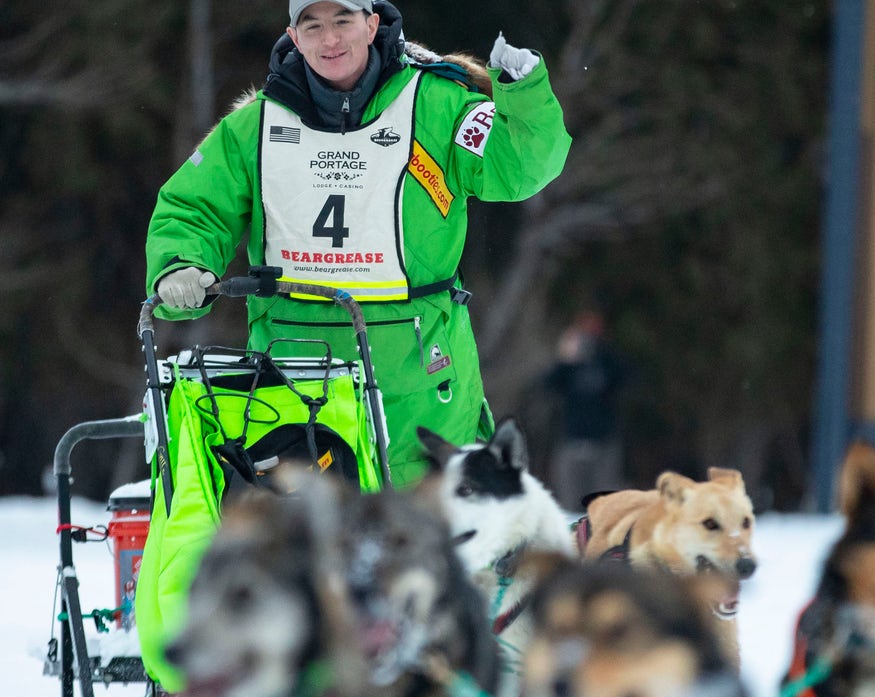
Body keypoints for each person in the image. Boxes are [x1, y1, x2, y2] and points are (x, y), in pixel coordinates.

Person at [145, 0, 571, 488]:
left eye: (342, 22)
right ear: (293, 34)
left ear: (371, 25)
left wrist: (524, 91)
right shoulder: (255, 127)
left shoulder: (437, 105)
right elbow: (194, 206)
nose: (330, 40)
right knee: (311, 545)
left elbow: (518, 168)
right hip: (295, 370)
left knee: (431, 541)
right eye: (314, 26)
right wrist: (180, 264)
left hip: (419, 375)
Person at [543, 310, 626, 510]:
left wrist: (604, 350)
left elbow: (624, 379)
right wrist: (566, 358)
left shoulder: (608, 360)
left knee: (605, 504)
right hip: (572, 441)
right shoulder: (568, 366)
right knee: (571, 504)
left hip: (603, 442)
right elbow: (548, 385)